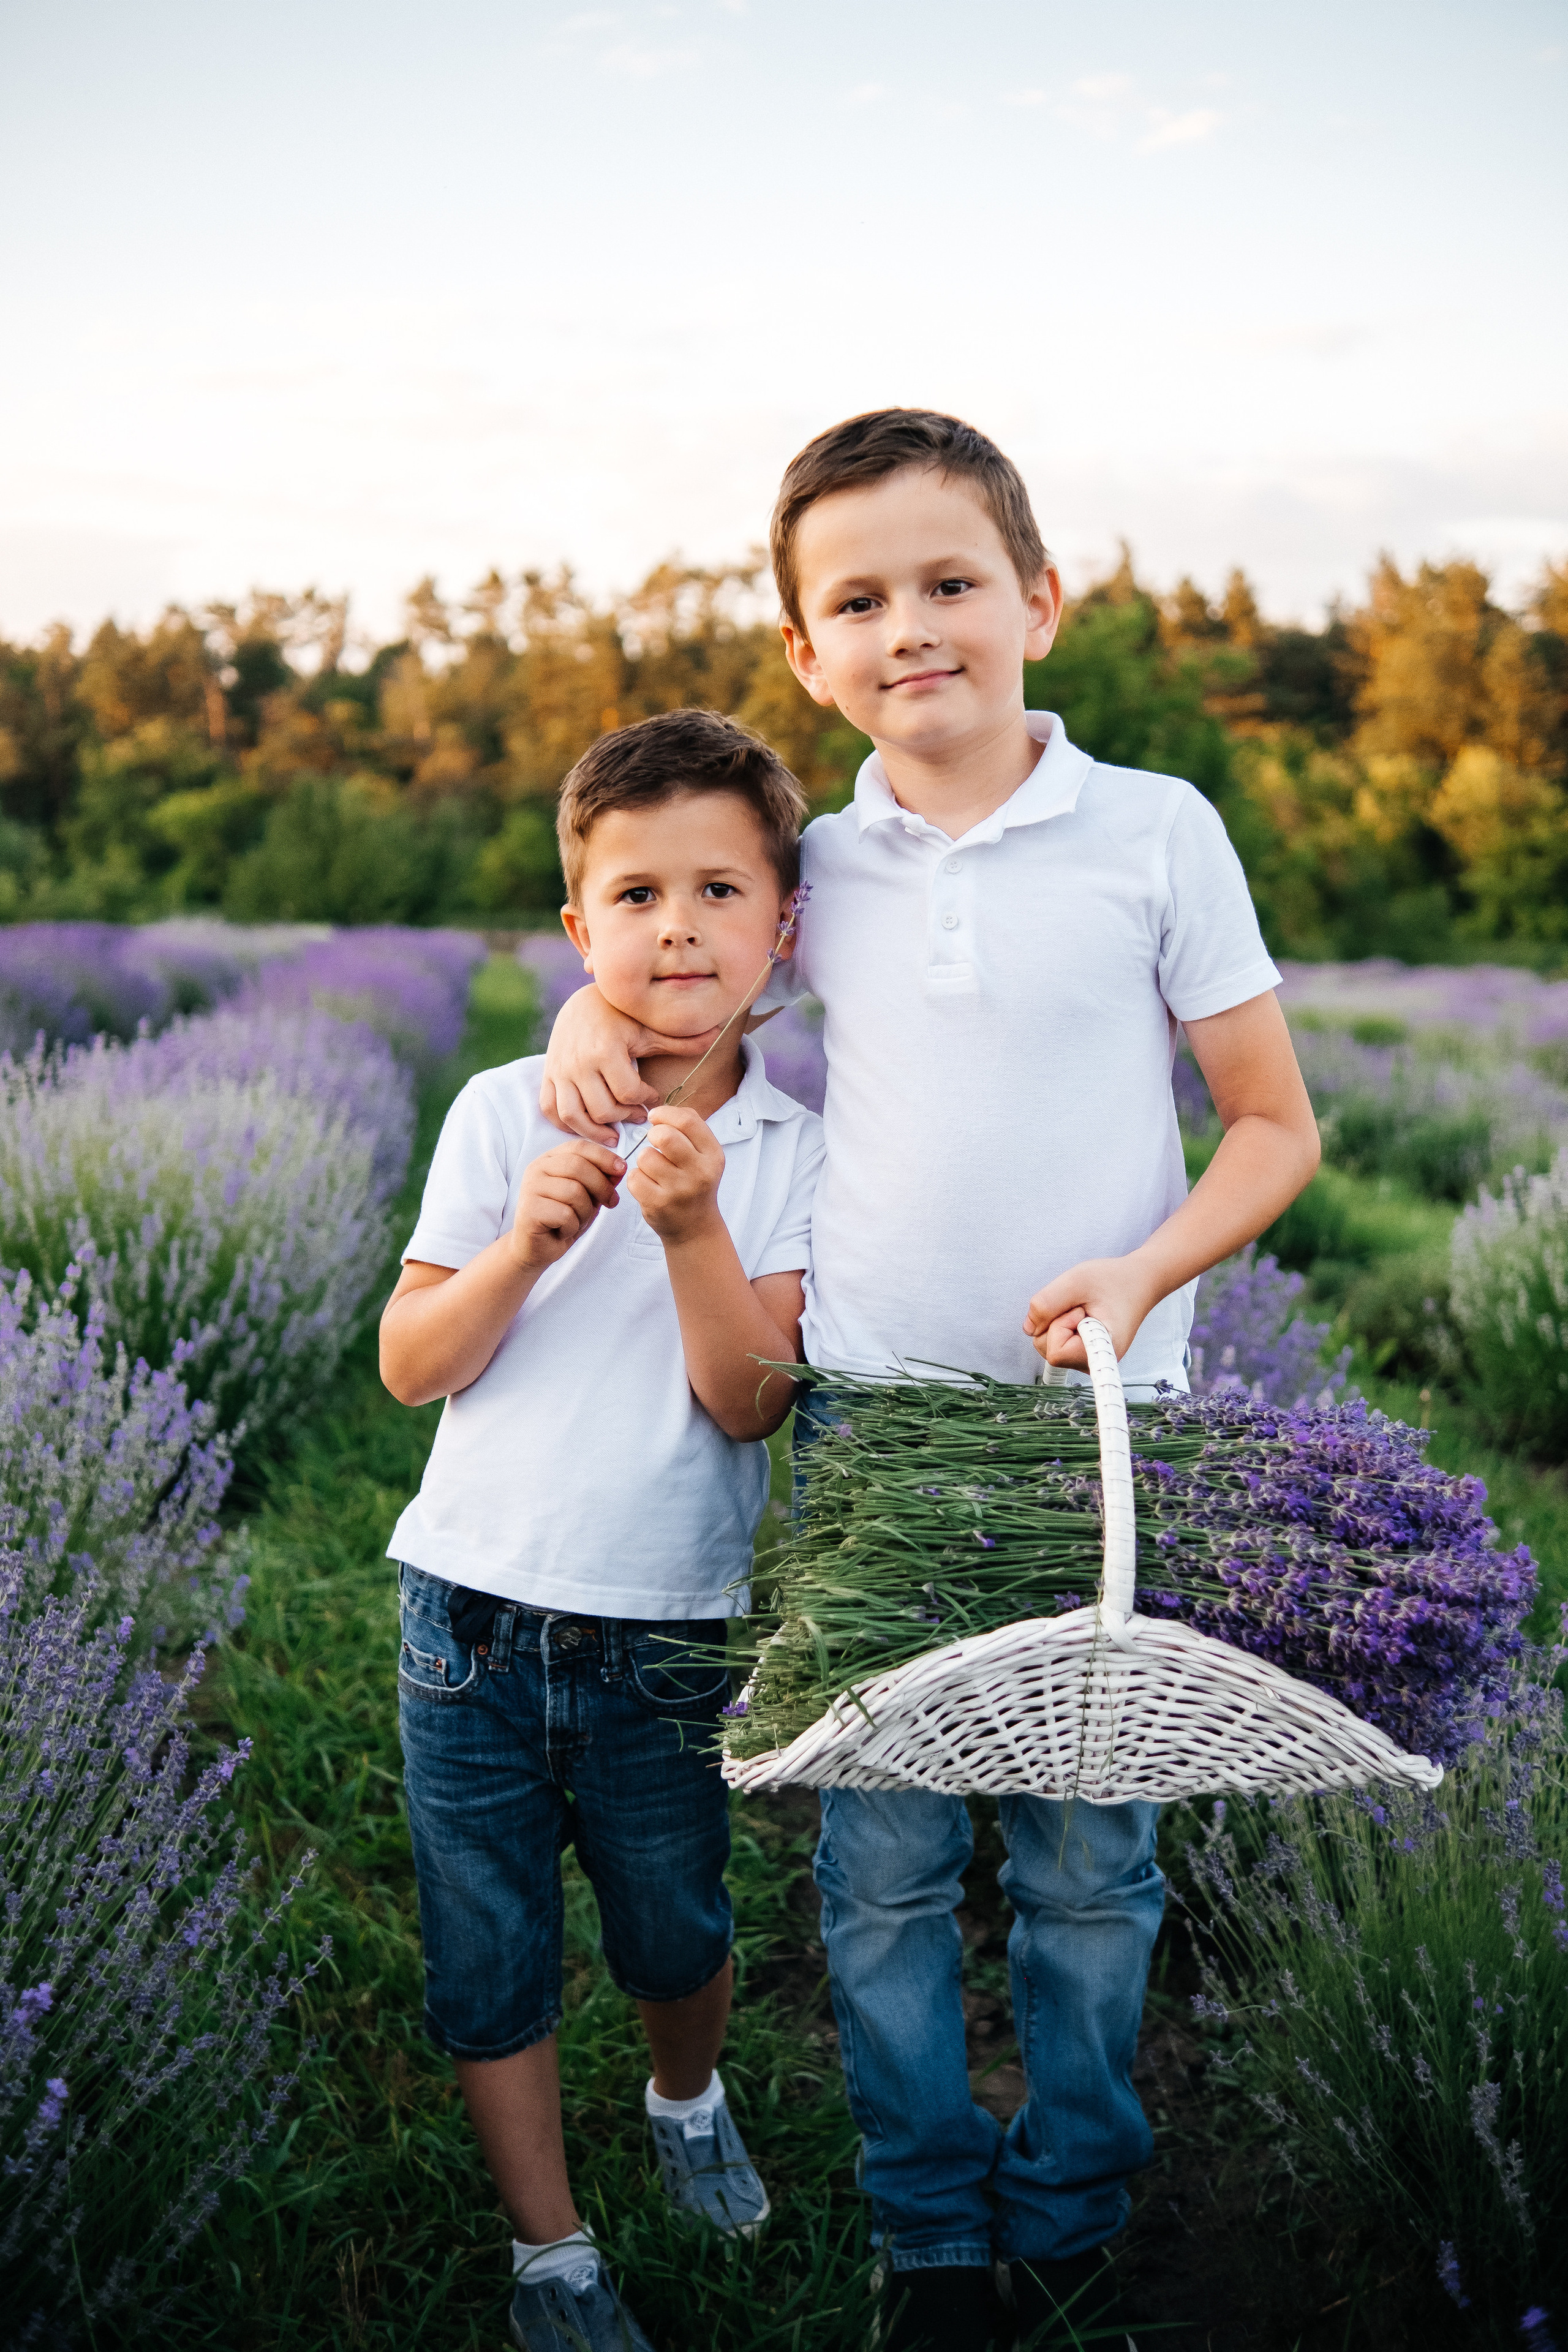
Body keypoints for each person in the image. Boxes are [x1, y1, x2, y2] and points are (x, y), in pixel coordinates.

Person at [538, 409, 1321, 2351]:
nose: (915, 628)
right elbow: (680, 946)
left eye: (952, 583)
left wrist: (1145, 1271)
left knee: (1084, 1856)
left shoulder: (1157, 831)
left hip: (1105, 1437)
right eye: (860, 600)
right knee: (882, 1861)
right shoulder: (818, 862)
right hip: (882, 1423)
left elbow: (1270, 1126)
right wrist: (584, 1007)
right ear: (806, 655)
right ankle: (930, 2232)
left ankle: (1070, 2198)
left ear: (1038, 602)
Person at [380, 707, 824, 2352]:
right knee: (487, 1945)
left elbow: (747, 1401)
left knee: (675, 1921)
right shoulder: (508, 1110)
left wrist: (693, 1225)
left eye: (720, 889)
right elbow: (413, 1363)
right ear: (580, 929)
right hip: (469, 1616)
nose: (677, 928)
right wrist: (517, 1250)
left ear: (784, 925)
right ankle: (551, 2255)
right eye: (633, 896)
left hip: (668, 1623)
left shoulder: (793, 1151)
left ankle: (685, 2093)